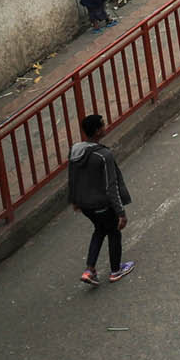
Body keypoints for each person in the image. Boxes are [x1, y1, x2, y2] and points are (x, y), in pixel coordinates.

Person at [68, 113, 134, 285]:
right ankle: (115, 270)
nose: (105, 127)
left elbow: (72, 177)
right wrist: (121, 212)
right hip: (102, 204)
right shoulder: (104, 155)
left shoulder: (76, 152)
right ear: (97, 131)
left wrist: (74, 200)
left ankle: (90, 269)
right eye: (103, 125)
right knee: (113, 232)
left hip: (85, 205)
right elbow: (111, 186)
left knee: (99, 230)